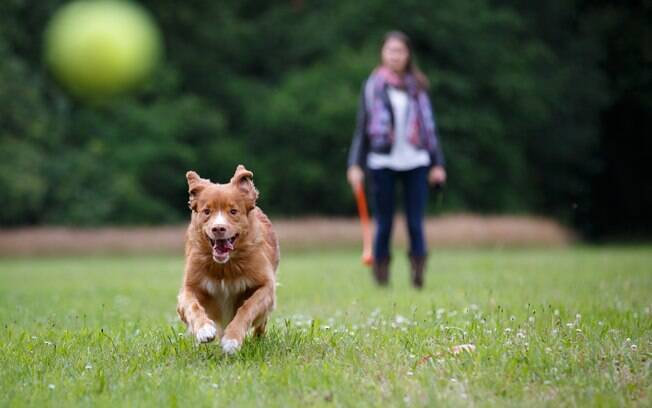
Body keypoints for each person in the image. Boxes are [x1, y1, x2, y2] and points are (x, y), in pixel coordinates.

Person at [347, 31, 446, 288]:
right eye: (390, 50)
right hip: (382, 161)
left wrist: (438, 164)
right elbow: (362, 128)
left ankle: (418, 272)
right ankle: (381, 276)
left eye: (400, 51)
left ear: (408, 55)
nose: (395, 56)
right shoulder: (373, 86)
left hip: (416, 159)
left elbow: (430, 127)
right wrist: (354, 164)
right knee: (385, 222)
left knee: (415, 221)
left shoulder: (418, 86)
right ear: (383, 53)